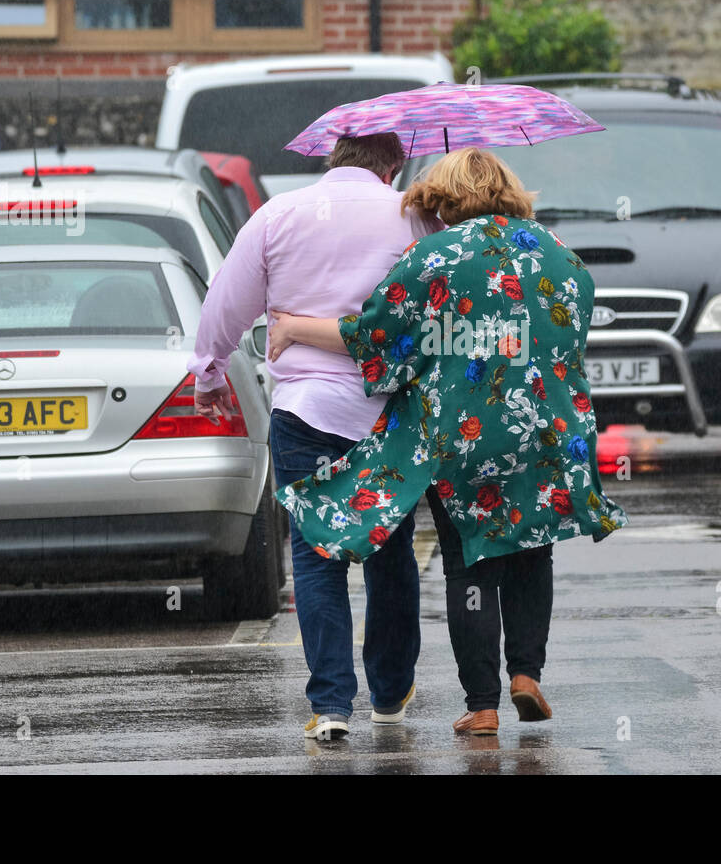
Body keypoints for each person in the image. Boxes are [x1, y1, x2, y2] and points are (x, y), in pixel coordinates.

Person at [270, 147, 627, 735]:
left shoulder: (431, 256)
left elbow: (376, 338)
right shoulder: (561, 255)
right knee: (534, 547)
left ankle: (482, 704)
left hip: (464, 432)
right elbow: (574, 338)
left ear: (445, 199)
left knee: (469, 563)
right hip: (547, 427)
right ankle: (526, 674)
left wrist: (293, 327)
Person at [188, 132, 439, 741]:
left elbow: (226, 302)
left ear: (333, 158)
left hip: (304, 410)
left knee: (316, 555)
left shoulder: (278, 214)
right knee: (390, 547)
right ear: (395, 162)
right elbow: (438, 308)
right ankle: (389, 691)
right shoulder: (414, 217)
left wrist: (209, 372)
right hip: (387, 415)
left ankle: (330, 705)